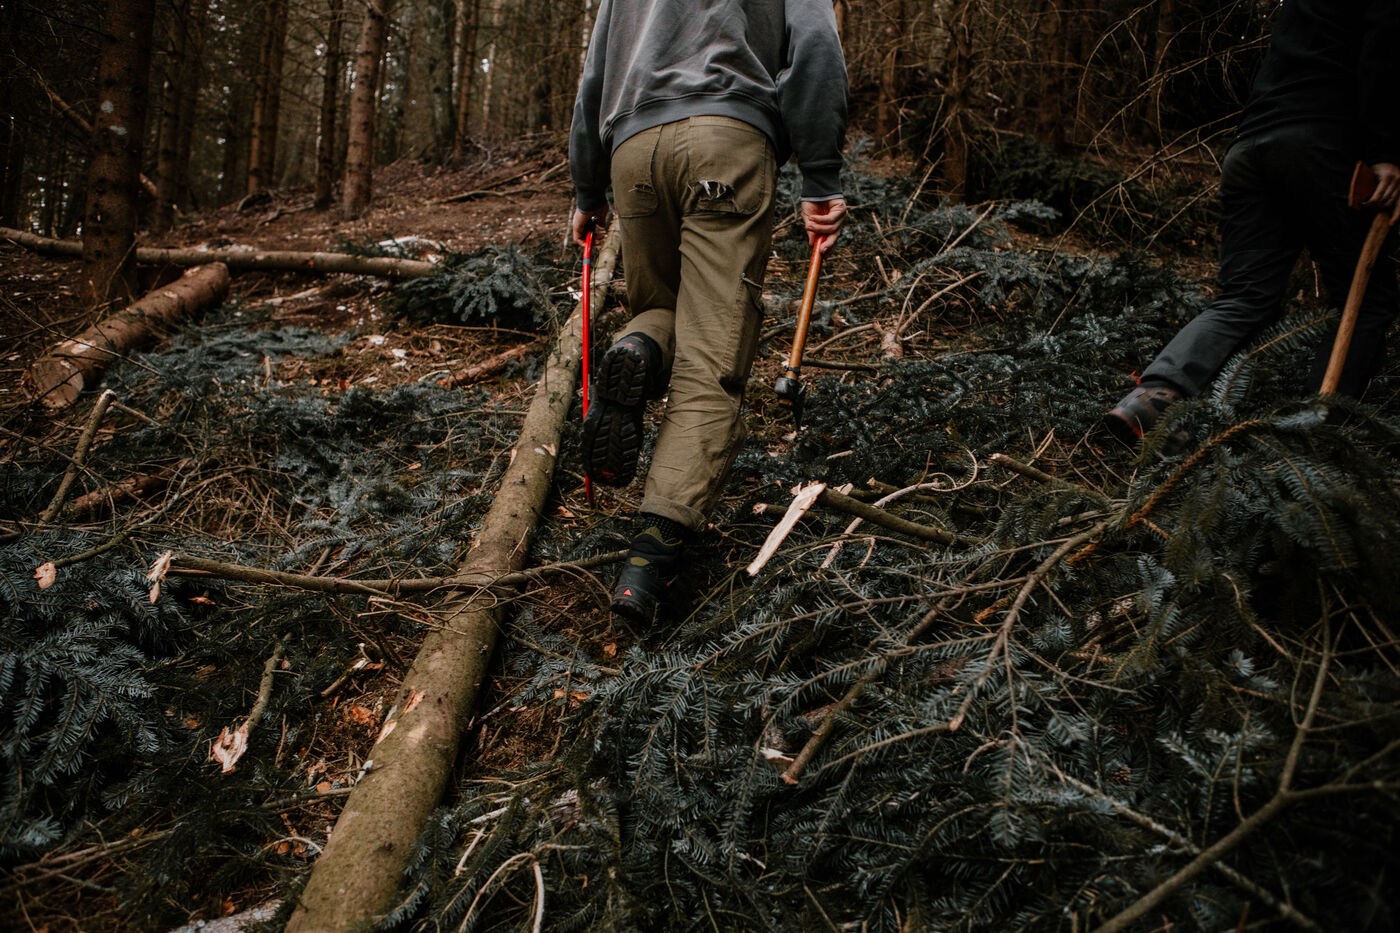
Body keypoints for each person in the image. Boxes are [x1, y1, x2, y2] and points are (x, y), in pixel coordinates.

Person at [568, 0, 849, 623]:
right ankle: (651, 556)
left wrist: (587, 187)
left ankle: (639, 349)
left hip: (633, 148)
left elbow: (595, 76)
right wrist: (821, 175)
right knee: (712, 354)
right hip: (728, 139)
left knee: (658, 306)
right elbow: (815, 45)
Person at [1105, 0, 1400, 446]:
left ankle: (1152, 396)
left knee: (1246, 295)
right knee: (1368, 304)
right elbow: (1383, 59)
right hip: (1322, 144)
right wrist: (1385, 151)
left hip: (1250, 146)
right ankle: (1314, 437)